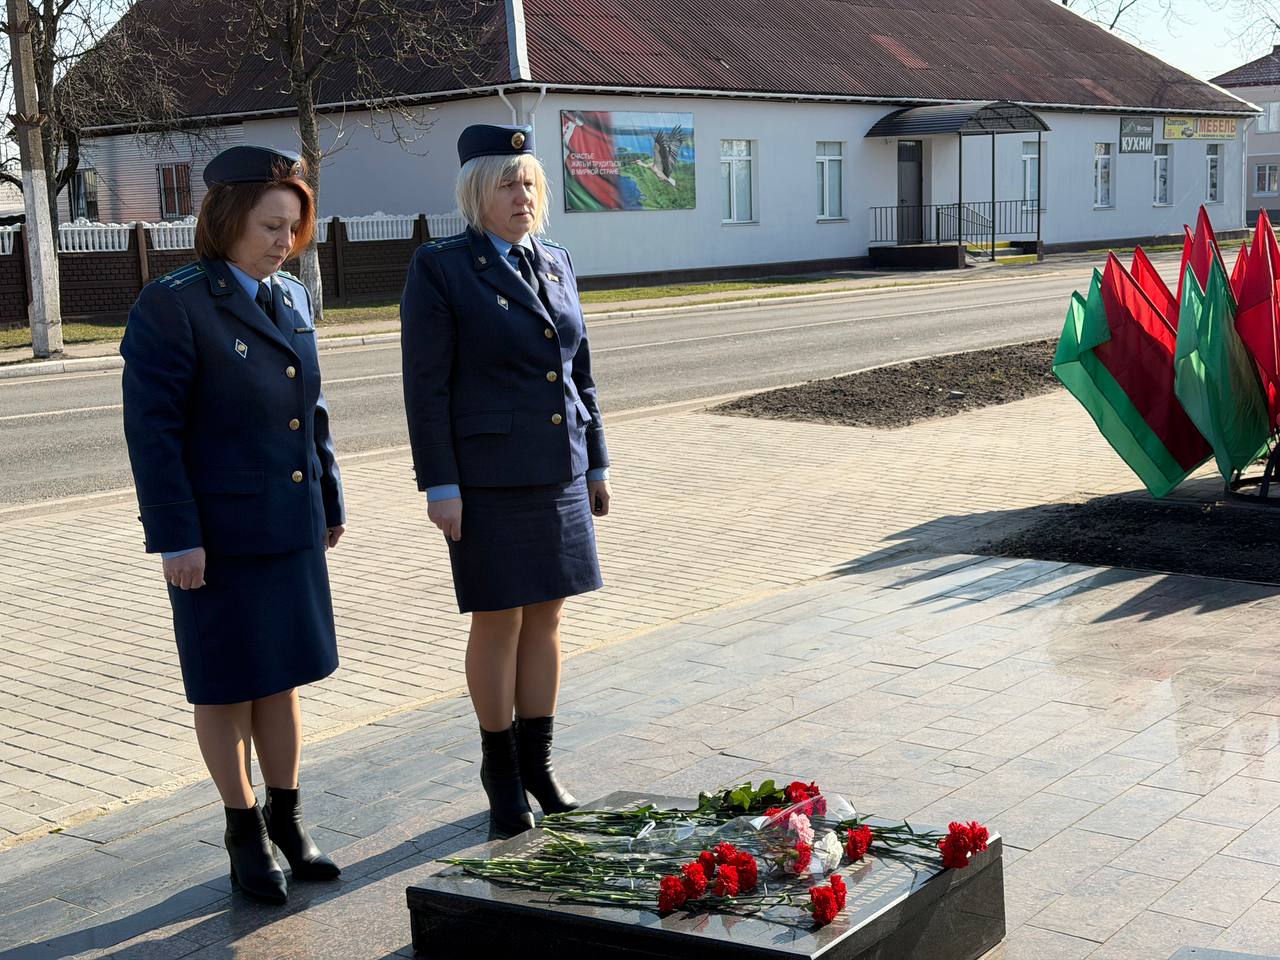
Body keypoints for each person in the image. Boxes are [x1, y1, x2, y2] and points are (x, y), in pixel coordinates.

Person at [120, 145, 345, 904]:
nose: (285, 241)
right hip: (216, 538)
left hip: (288, 522)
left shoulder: (293, 296)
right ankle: (243, 830)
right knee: (224, 686)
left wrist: (329, 498)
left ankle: (289, 820)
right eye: (270, 226)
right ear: (226, 220)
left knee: (280, 678)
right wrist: (176, 536)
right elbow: (153, 434)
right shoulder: (175, 303)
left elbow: (311, 410)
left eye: (293, 227)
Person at [400, 124, 611, 838]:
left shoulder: (555, 260)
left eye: (529, 183)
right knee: (499, 619)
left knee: (548, 616)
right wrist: (441, 485)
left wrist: (596, 460)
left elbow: (579, 372)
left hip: (560, 469)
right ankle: (500, 774)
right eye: (506, 184)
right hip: (487, 478)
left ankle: (538, 765)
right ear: (475, 193)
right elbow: (426, 387)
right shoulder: (443, 267)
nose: (522, 196)